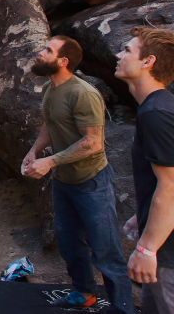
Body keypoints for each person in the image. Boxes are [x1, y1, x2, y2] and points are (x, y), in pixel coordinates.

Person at [22, 36, 133, 313]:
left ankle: (122, 307)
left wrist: (51, 161)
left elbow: (93, 143)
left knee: (105, 249)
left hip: (91, 182)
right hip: (64, 183)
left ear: (63, 61)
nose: (40, 52)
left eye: (47, 50)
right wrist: (34, 151)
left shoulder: (82, 93)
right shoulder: (51, 89)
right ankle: (85, 294)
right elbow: (50, 124)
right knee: (70, 243)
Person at [115, 26, 174, 313]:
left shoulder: (156, 114)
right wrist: (143, 214)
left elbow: (171, 186)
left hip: (168, 254)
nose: (118, 54)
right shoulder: (158, 107)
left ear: (148, 62)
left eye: (126, 50)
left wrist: (146, 249)